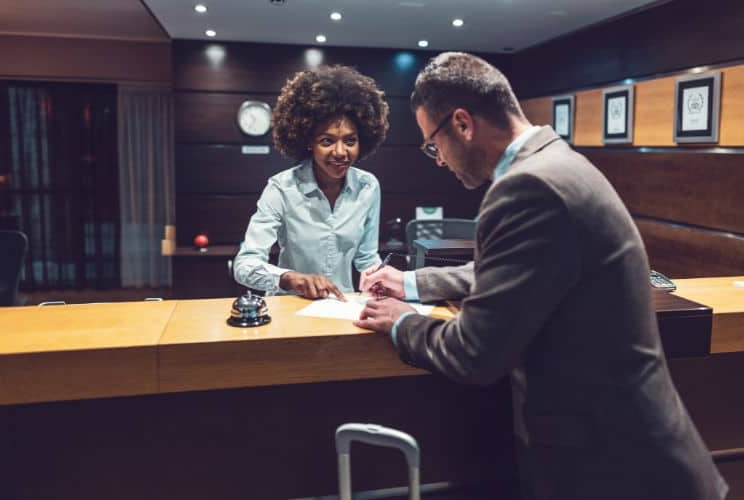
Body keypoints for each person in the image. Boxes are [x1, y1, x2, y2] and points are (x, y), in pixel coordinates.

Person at [357, 53, 726, 500]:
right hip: (626, 452)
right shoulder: (552, 160)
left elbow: (474, 354)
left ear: (462, 124)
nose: (437, 160)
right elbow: (516, 272)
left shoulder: (527, 187)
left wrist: (399, 320)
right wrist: (412, 283)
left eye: (433, 144)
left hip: (614, 467)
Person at [233, 65, 389, 299]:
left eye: (350, 141)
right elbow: (245, 264)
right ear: (309, 142)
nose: (340, 152)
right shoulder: (281, 188)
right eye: (327, 141)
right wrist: (290, 278)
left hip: (341, 306)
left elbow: (366, 257)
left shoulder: (368, 187)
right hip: (288, 308)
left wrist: (380, 278)